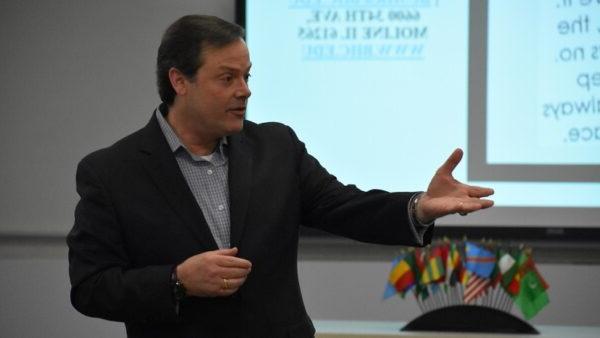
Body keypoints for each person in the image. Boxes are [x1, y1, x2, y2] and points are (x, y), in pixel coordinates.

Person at [67, 15, 494, 338]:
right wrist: (176, 281)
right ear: (179, 81)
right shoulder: (112, 172)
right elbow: (91, 287)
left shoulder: (276, 147)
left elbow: (345, 207)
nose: (245, 90)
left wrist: (419, 206)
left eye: (247, 76)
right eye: (227, 78)